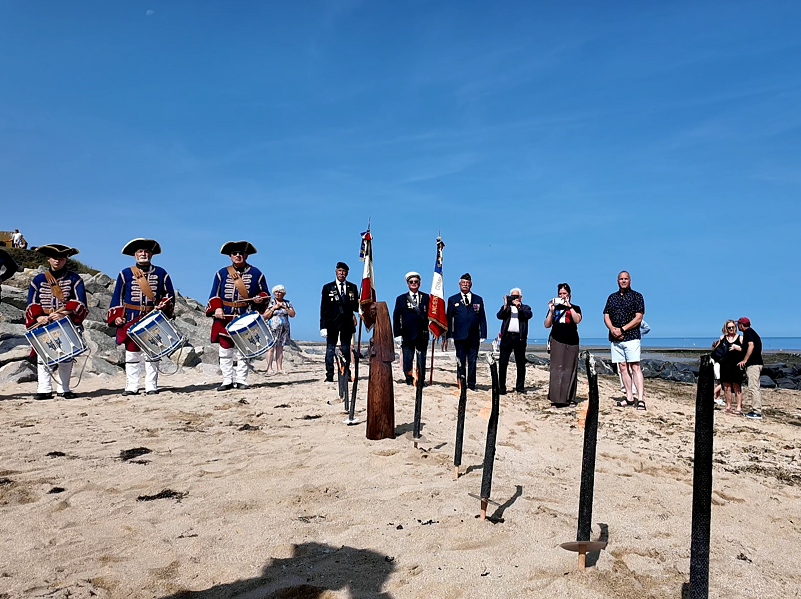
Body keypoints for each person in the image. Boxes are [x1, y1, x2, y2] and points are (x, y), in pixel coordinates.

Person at [108, 238, 175, 396]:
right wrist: (117, 316)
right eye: (140, 252)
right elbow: (118, 296)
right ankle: (132, 386)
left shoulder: (161, 273)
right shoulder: (125, 273)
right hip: (132, 316)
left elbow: (169, 294)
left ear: (151, 254)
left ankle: (151, 385)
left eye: (146, 251)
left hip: (152, 316)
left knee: (152, 351)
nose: (143, 254)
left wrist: (163, 305)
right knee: (132, 353)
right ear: (134, 255)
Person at [25, 244, 88, 400]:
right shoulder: (38, 279)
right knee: (43, 356)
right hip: (44, 322)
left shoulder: (75, 279)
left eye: (61, 258)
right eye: (54, 258)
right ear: (48, 259)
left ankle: (64, 389)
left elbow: (81, 303)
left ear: (66, 259)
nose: (57, 261)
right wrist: (39, 317)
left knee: (66, 356)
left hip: (65, 322)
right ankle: (43, 389)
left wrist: (65, 313)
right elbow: (31, 303)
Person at [206, 241, 270, 391]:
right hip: (225, 316)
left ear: (246, 255)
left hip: (245, 315)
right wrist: (217, 309)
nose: (238, 256)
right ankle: (227, 380)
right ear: (230, 256)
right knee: (225, 350)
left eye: (241, 253)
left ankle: (242, 380)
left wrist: (260, 298)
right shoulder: (221, 273)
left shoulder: (256, 273)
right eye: (235, 253)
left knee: (243, 351)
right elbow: (214, 294)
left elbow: (265, 293)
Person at [603, 271, 646, 410]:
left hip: (632, 337)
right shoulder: (612, 297)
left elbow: (638, 317)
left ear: (630, 281)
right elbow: (606, 315)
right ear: (617, 281)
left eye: (626, 279)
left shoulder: (637, 297)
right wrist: (613, 329)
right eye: (621, 279)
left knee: (635, 366)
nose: (623, 281)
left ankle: (640, 399)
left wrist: (622, 329)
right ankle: (629, 397)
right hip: (615, 339)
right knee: (622, 367)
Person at [443, 273, 487, 392]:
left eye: (467, 283)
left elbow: (482, 318)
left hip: (474, 336)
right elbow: (449, 319)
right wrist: (449, 336)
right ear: (459, 284)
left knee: (472, 361)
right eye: (463, 283)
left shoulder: (478, 299)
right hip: (459, 336)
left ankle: (472, 384)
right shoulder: (453, 299)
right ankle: (461, 382)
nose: (465, 285)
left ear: (471, 285)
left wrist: (483, 334)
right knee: (460, 361)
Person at [320, 262, 360, 383]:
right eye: (339, 271)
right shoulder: (328, 287)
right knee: (330, 350)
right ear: (336, 271)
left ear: (347, 273)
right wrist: (323, 326)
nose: (342, 273)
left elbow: (355, 306)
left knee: (346, 350)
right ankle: (330, 375)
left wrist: (363, 307)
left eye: (344, 271)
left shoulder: (352, 287)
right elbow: (324, 308)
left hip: (347, 324)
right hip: (332, 323)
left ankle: (346, 373)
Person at [544, 283, 582, 406]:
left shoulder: (575, 307)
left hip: (572, 341)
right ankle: (556, 398)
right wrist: (551, 311)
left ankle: (570, 397)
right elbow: (547, 324)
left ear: (569, 295)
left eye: (564, 293)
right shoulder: (555, 308)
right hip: (557, 339)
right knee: (556, 369)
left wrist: (569, 306)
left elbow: (577, 320)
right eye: (560, 294)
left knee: (570, 369)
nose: (562, 296)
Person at [392, 271, 430, 385]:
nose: (414, 283)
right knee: (408, 359)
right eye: (411, 282)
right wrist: (397, 334)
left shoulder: (426, 297)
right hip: (407, 334)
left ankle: (421, 379)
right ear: (408, 283)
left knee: (421, 358)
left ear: (420, 283)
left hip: (422, 333)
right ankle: (409, 379)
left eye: (416, 282)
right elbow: (396, 317)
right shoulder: (401, 299)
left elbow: (431, 315)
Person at [495, 287, 532, 395]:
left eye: (516, 296)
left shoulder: (525, 307)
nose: (514, 298)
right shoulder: (507, 308)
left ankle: (520, 388)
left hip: (519, 338)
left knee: (520, 363)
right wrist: (506, 304)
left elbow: (528, 315)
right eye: (512, 296)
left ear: (520, 297)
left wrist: (519, 307)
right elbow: (499, 316)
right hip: (507, 337)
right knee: (503, 362)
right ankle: (501, 387)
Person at [713, 320, 744, 415]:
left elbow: (746, 350)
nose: (731, 329)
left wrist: (737, 348)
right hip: (725, 365)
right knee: (726, 387)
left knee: (736, 386)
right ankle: (728, 406)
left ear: (735, 327)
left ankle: (738, 407)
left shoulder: (741, 338)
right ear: (726, 328)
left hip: (736, 365)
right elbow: (716, 350)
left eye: (733, 327)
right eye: (729, 327)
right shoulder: (723, 338)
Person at [265, 284, 296, 374]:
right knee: (271, 348)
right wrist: (273, 308)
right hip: (272, 328)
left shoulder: (287, 303)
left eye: (280, 292)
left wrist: (285, 307)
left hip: (283, 329)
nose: (278, 294)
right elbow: (265, 316)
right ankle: (269, 368)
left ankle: (279, 368)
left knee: (280, 348)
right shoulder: (270, 303)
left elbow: (292, 314)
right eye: (276, 292)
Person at [737, 317, 764, 420]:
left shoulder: (748, 333)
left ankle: (757, 412)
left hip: (753, 365)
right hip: (756, 363)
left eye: (738, 324)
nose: (737, 326)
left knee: (753, 387)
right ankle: (755, 410)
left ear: (741, 325)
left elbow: (751, 346)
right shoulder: (752, 333)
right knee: (754, 386)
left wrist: (745, 360)